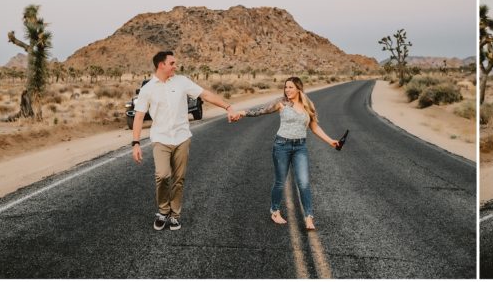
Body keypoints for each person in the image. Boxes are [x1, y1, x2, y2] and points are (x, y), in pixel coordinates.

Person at [131, 50, 238, 231]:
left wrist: (228, 106)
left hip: (182, 137)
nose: (175, 66)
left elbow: (205, 95)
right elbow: (139, 116)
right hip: (161, 138)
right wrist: (136, 143)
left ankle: (175, 215)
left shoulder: (182, 82)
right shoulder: (148, 89)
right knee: (163, 175)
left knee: (179, 178)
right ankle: (163, 211)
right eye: (172, 63)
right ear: (161, 65)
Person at [231, 77, 339, 231]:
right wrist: (241, 112)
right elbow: (261, 110)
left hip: (300, 147)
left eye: (291, 87)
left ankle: (309, 217)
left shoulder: (308, 106)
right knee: (280, 181)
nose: (287, 90)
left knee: (304, 182)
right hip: (282, 145)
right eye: (286, 87)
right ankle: (275, 211)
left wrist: (331, 141)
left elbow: (314, 128)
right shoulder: (281, 102)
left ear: (299, 89)